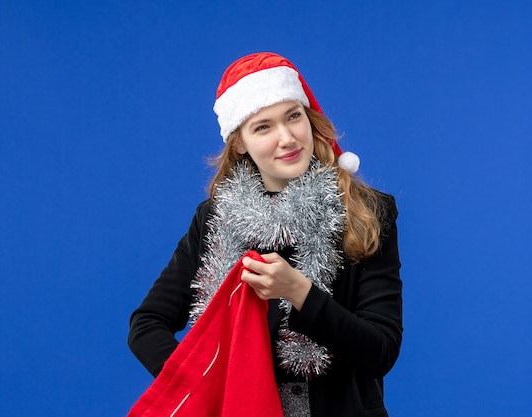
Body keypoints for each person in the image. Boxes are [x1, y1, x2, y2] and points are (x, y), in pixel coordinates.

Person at [128, 52, 403, 417]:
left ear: (309, 119)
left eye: (293, 116)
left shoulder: (367, 211)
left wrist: (298, 292)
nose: (287, 138)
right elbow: (146, 325)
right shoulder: (215, 217)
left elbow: (380, 351)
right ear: (239, 143)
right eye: (263, 127)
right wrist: (208, 385)